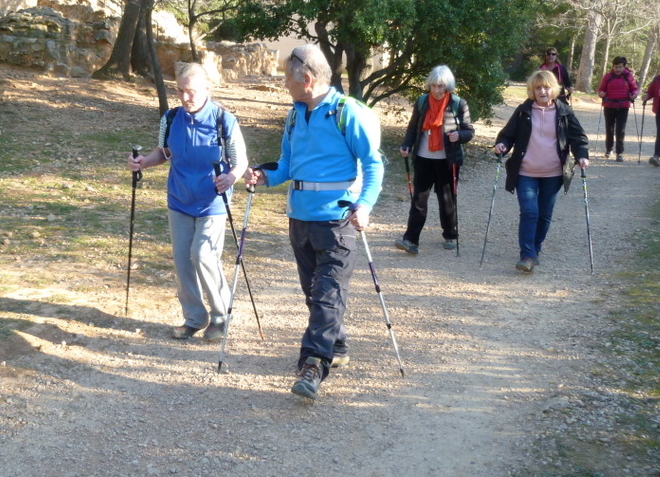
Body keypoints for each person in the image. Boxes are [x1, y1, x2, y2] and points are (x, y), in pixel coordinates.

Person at [243, 44, 384, 399]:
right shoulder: (295, 115)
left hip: (337, 220)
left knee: (326, 294)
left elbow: (373, 165)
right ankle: (336, 347)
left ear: (306, 80)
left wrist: (364, 205)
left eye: (288, 80)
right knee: (315, 294)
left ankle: (313, 364)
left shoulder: (346, 113)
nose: (285, 86)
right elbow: (287, 165)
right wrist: (263, 175)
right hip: (300, 219)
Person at [127, 63, 247, 341]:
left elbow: (240, 162)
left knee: (203, 256)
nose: (184, 98)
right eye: (180, 91)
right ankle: (194, 317)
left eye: (190, 91)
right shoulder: (170, 119)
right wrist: (143, 162)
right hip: (179, 200)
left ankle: (220, 317)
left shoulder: (223, 120)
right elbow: (164, 152)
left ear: (206, 89)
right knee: (183, 261)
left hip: (213, 203)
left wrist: (230, 178)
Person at [494, 70, 589, 273]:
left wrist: (582, 155)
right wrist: (501, 145)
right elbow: (507, 135)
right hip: (525, 171)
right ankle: (527, 255)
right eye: (538, 88)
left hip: (553, 173)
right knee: (529, 212)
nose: (542, 91)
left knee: (544, 215)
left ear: (553, 89)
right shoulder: (523, 111)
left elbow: (578, 137)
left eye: (546, 87)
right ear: (532, 90)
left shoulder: (564, 111)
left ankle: (535, 249)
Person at [395, 65, 475, 254]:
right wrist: (406, 145)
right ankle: (411, 240)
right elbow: (413, 128)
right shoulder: (422, 102)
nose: (437, 91)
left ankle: (450, 234)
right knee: (418, 200)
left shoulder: (458, 104)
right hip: (423, 158)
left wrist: (459, 135)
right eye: (434, 86)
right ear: (429, 86)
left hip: (447, 161)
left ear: (448, 87)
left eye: (441, 87)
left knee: (446, 199)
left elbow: (469, 131)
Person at [596, 56, 639, 162]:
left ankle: (619, 153)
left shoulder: (629, 76)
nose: (618, 69)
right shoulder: (608, 76)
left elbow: (634, 89)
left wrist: (634, 95)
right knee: (609, 129)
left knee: (620, 130)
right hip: (609, 106)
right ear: (613, 66)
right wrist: (601, 93)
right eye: (616, 67)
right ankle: (609, 150)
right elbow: (601, 89)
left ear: (624, 67)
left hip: (623, 106)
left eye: (620, 67)